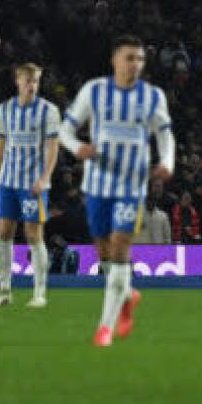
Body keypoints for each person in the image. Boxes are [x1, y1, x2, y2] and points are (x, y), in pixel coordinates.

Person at [60, 34, 175, 347]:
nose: (135, 64)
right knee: (105, 253)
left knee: (121, 245)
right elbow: (65, 130)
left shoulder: (152, 97)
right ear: (114, 60)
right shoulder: (94, 91)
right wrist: (78, 147)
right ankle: (126, 294)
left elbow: (165, 134)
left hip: (132, 185)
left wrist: (167, 161)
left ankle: (104, 328)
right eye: (129, 58)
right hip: (97, 185)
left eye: (139, 59)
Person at [0, 63, 61, 309]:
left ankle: (40, 293)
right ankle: (5, 291)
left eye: (36, 81)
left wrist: (45, 177)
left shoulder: (48, 111)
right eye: (28, 80)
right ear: (18, 80)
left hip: (33, 184)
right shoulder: (5, 109)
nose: (32, 85)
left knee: (33, 235)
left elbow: (53, 147)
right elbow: (2, 144)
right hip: (8, 181)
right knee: (4, 233)